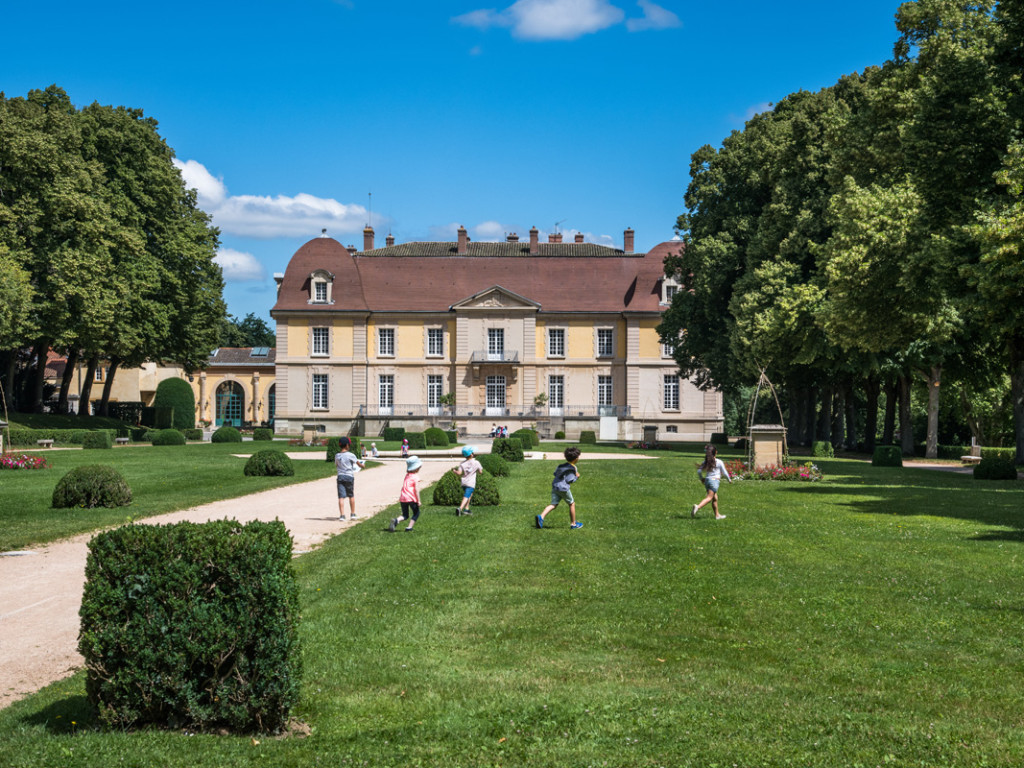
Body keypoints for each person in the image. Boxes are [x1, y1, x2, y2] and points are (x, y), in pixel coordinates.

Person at [536, 446, 583, 529]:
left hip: (555, 486)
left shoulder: (560, 465)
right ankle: (573, 524)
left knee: (553, 504)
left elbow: (555, 474)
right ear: (575, 458)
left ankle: (541, 517)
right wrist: (577, 476)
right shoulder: (573, 468)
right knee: (572, 504)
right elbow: (570, 480)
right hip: (563, 488)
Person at [692, 443, 732, 520]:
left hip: (707, 481)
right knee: (709, 497)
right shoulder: (719, 461)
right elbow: (724, 472)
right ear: (716, 452)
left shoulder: (706, 461)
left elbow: (699, 471)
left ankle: (717, 515)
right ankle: (698, 507)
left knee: (715, 498)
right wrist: (729, 480)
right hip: (714, 482)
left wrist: (701, 479)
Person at [335, 436, 366, 520]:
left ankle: (342, 515)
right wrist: (363, 466)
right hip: (349, 476)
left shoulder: (337, 455)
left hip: (340, 476)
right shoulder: (351, 455)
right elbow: (358, 464)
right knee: (351, 495)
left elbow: (336, 465)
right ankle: (352, 514)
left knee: (341, 497)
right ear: (347, 445)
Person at [389, 455, 422, 532]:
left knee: (405, 515)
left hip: (403, 498)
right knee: (416, 513)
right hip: (411, 498)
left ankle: (396, 520)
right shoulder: (416, 477)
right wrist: (419, 500)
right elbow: (416, 489)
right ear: (416, 468)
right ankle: (409, 527)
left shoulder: (407, 476)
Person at [452, 445, 483, 516]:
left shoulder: (462, 464)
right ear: (471, 454)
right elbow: (481, 472)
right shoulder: (476, 462)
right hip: (471, 483)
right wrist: (477, 471)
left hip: (464, 482)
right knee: (466, 496)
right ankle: (460, 508)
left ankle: (466, 508)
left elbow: (459, 473)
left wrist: (454, 471)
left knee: (470, 495)